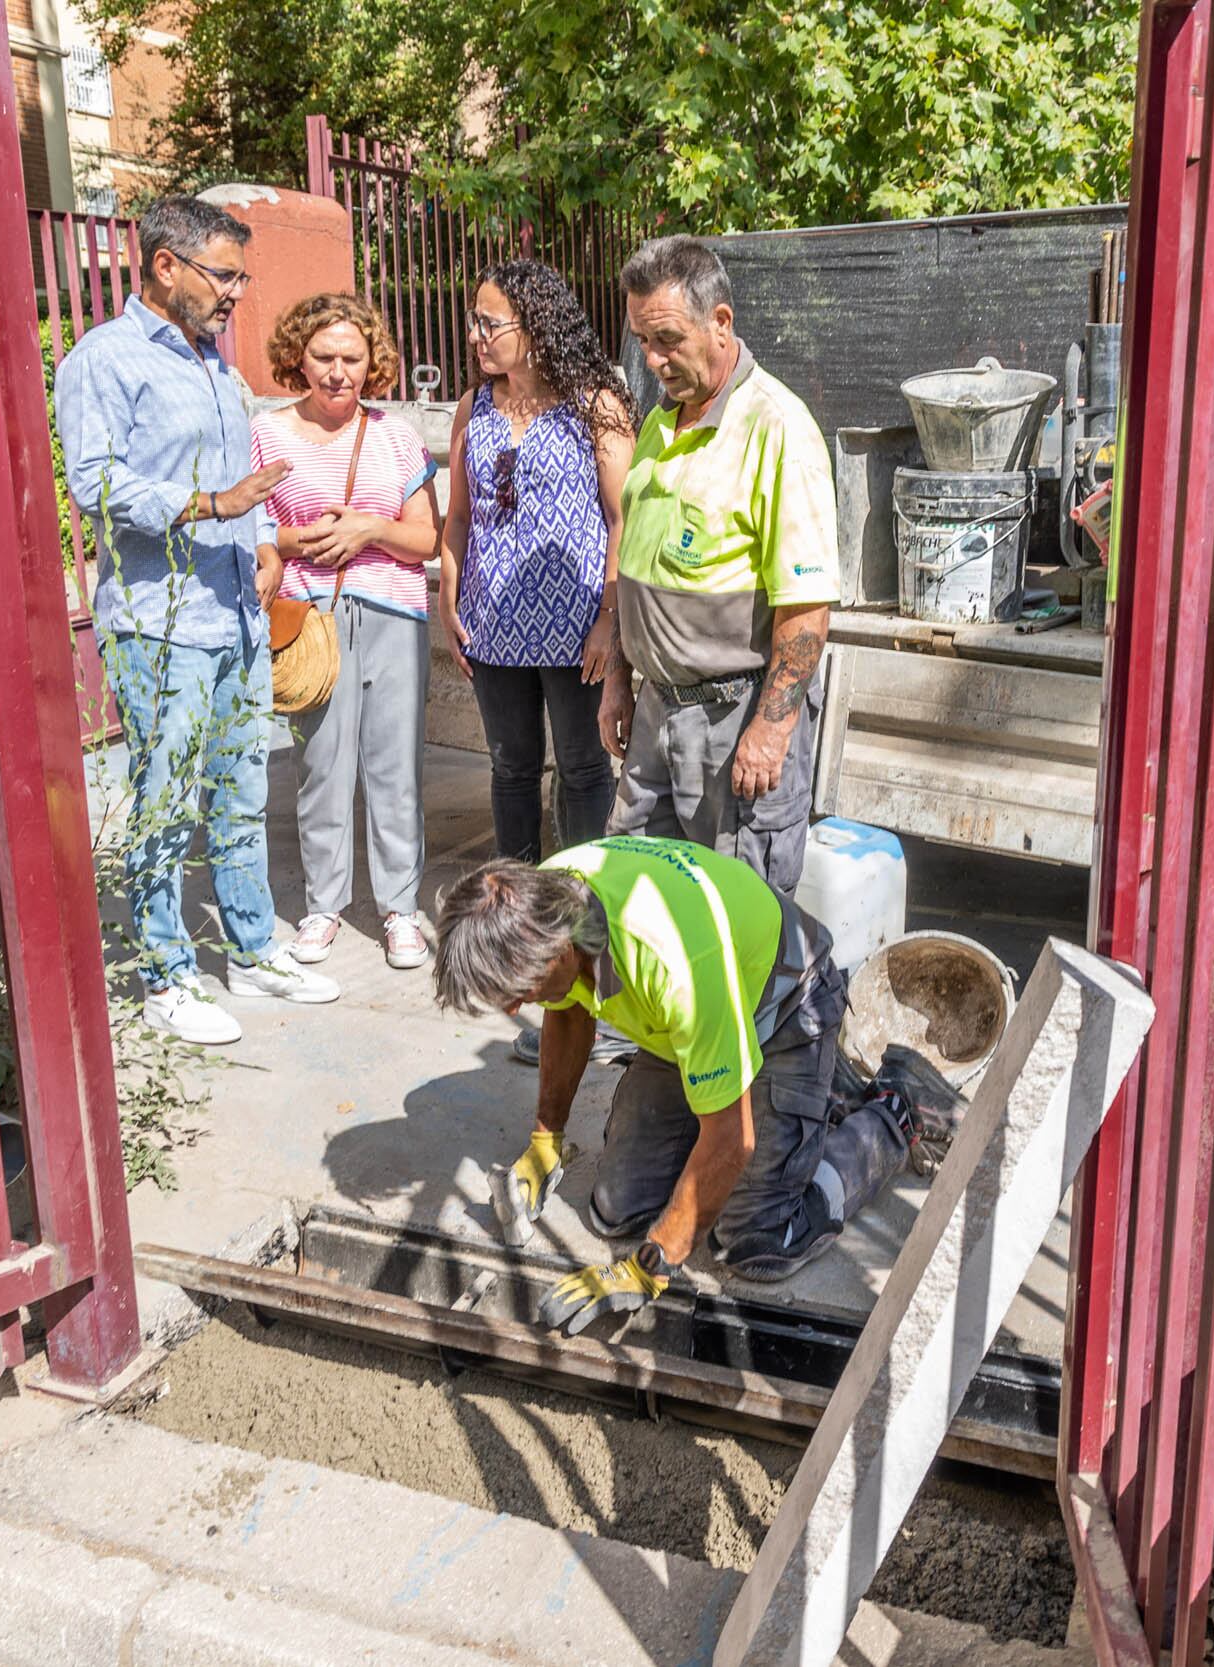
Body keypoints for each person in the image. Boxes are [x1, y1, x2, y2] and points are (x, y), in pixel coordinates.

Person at [431, 835, 914, 1336]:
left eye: (518, 993)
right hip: (691, 1024)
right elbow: (569, 1011)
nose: (514, 1010)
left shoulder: (673, 963)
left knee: (754, 1240)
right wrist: (545, 1139)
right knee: (615, 1210)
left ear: (560, 949)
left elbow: (732, 1139)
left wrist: (652, 1265)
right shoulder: (546, 897)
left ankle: (890, 1114)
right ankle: (802, 1106)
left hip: (788, 1005)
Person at [55, 195, 337, 1046]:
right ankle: (167, 973)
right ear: (165, 265)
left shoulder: (217, 365)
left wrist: (259, 539)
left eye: (241, 276)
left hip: (233, 619)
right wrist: (207, 505)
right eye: (224, 275)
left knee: (244, 793)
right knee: (165, 803)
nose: (236, 293)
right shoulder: (104, 361)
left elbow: (242, 472)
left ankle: (252, 950)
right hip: (159, 622)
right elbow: (93, 481)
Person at [601, 236, 838, 895]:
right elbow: (635, 564)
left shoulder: (777, 429)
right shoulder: (659, 423)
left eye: (668, 339)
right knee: (637, 894)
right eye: (642, 341)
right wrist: (619, 678)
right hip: (657, 716)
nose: (652, 360)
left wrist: (772, 726)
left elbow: (806, 603)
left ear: (721, 323)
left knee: (737, 914)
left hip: (735, 722)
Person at [253, 293, 442, 969]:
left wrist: (370, 528)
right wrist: (294, 539)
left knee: (394, 768)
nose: (338, 372)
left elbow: (426, 538)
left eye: (352, 358)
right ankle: (323, 905)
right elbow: (250, 526)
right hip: (312, 621)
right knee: (322, 766)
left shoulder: (392, 435)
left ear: (373, 361)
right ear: (297, 357)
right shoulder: (267, 435)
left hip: (394, 613)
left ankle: (399, 907)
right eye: (324, 357)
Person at [437, 259, 636, 865]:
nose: (475, 335)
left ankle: (584, 897)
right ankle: (516, 902)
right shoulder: (474, 407)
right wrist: (448, 594)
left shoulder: (595, 404)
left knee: (581, 767)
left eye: (488, 323)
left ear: (537, 325)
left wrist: (610, 618)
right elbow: (461, 515)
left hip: (577, 626)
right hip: (492, 623)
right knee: (510, 767)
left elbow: (622, 518)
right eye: (473, 321)